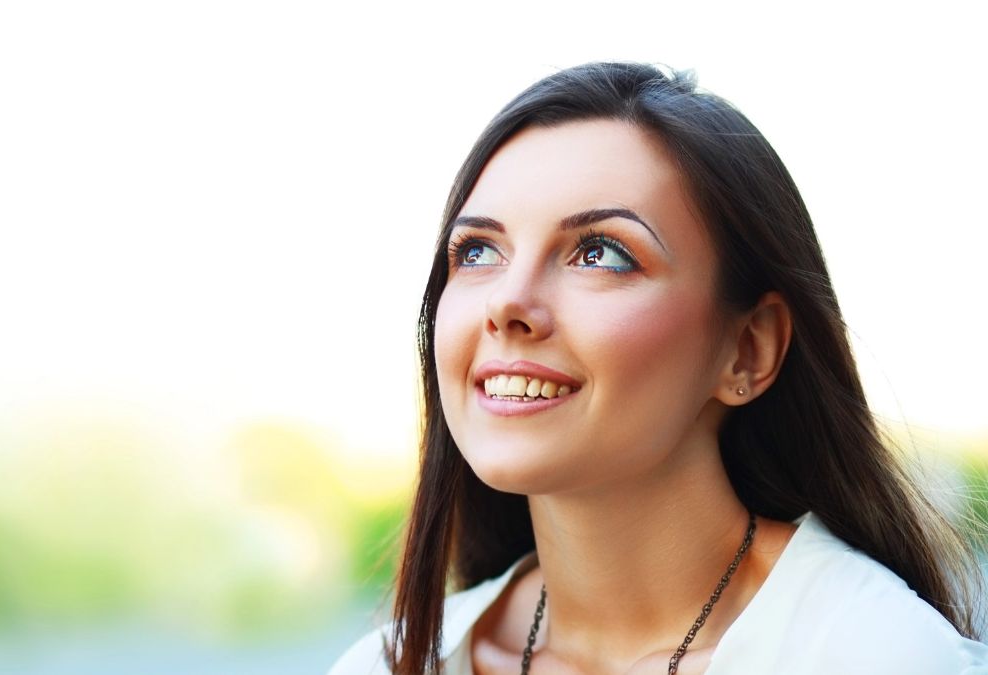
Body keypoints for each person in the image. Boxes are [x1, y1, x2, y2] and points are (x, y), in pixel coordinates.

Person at [329, 62, 988, 674]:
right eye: (477, 251)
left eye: (601, 253)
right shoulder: (390, 663)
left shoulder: (877, 653)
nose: (506, 302)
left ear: (749, 348)